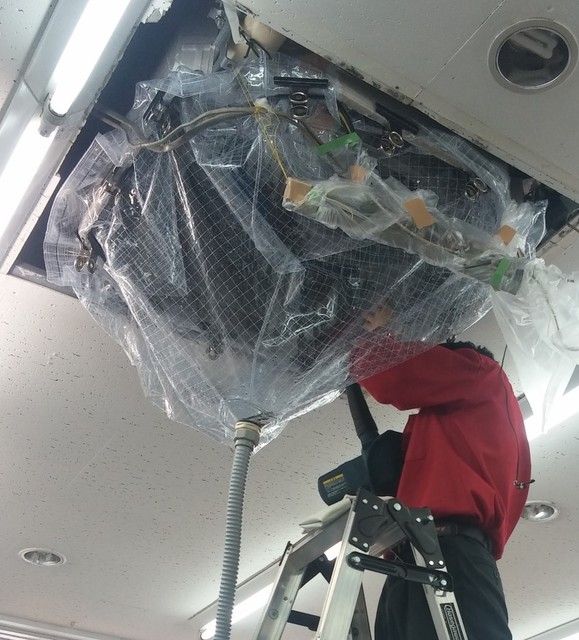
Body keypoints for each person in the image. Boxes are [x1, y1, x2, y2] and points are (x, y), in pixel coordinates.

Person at [356, 338, 532, 640]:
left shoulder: (483, 373)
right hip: (415, 556)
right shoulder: (460, 433)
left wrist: (357, 341)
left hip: (448, 554)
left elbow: (396, 373)